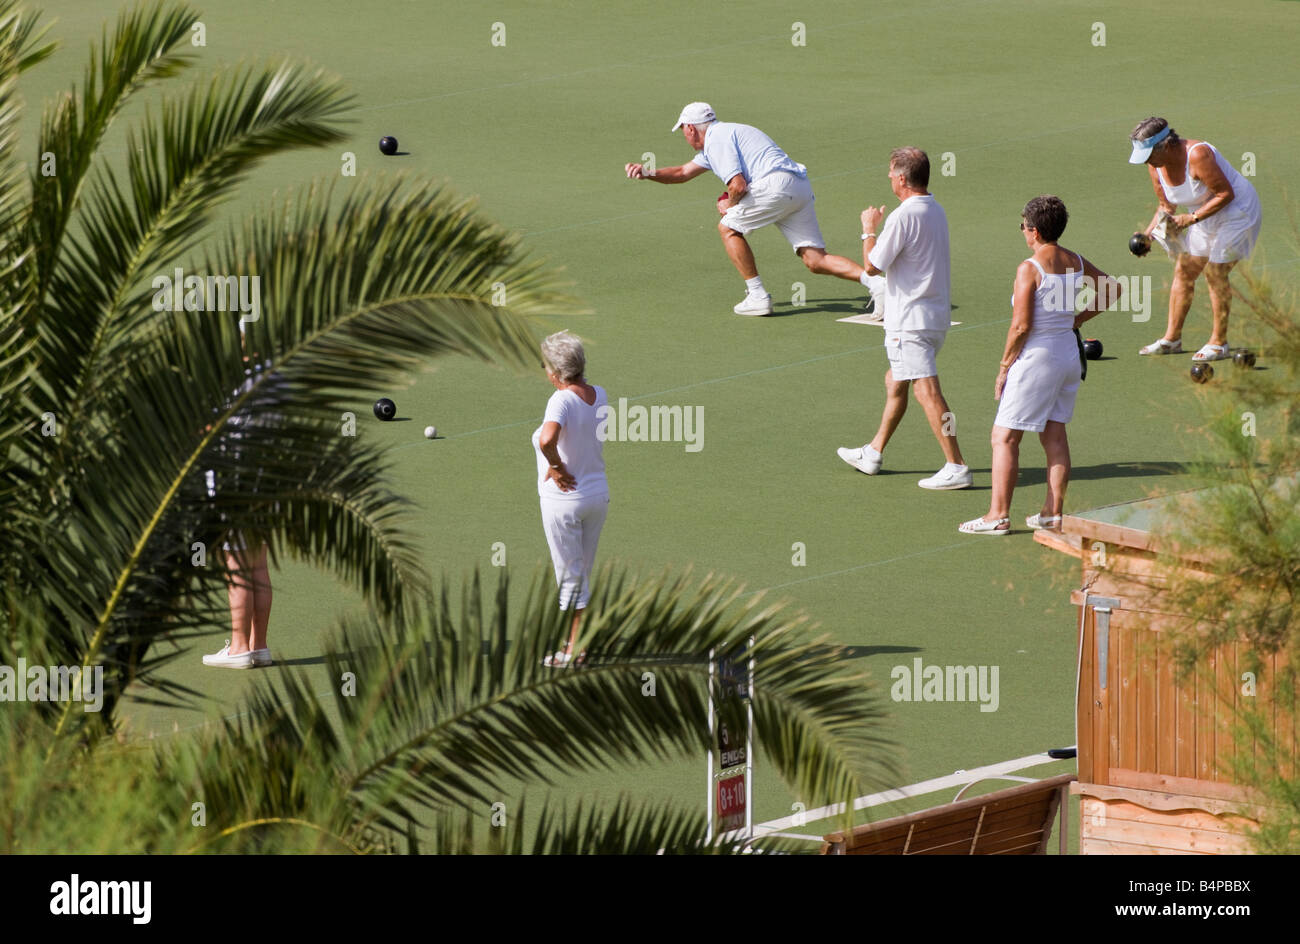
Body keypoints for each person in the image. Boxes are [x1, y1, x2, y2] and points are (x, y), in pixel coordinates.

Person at [958, 196, 1122, 535]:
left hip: (1037, 359)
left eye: (1023, 226)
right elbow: (1113, 289)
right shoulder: (1075, 260)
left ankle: (998, 515)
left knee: (1004, 437)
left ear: (1033, 230)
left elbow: (1020, 327)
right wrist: (1075, 320)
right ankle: (1052, 514)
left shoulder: (1029, 268)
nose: (1022, 232)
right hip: (1067, 356)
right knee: (1054, 434)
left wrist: (1004, 366)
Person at [624, 102, 872, 316]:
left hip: (775, 186)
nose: (684, 136)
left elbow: (737, 185)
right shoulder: (726, 134)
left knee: (728, 228)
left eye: (683, 131)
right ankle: (878, 287)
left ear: (690, 128)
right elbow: (681, 173)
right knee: (816, 260)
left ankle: (757, 296)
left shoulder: (716, 140)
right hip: (798, 186)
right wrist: (648, 173)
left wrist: (729, 205)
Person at [836, 147, 971, 490]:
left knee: (927, 391)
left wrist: (868, 229)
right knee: (896, 381)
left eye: (890, 172)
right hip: (933, 318)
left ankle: (956, 465)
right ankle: (874, 451)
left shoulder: (902, 216)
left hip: (910, 321)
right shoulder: (936, 210)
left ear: (901, 178)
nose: (887, 178)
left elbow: (871, 266)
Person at [1129, 117, 1262, 362]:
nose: (1147, 161)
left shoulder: (1198, 155)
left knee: (1215, 272)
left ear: (1166, 146)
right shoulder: (1154, 165)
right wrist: (1147, 236)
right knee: (1184, 271)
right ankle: (1172, 339)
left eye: (1148, 154)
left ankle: (1219, 343)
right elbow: (1166, 206)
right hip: (1203, 216)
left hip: (1238, 212)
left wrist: (1189, 220)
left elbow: (1225, 194)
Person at [202, 332, 280, 668]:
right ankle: (258, 646)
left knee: (237, 569)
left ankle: (238, 649)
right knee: (257, 565)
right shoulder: (274, 375)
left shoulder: (228, 379)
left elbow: (208, 428)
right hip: (267, 480)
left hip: (233, 483)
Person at [532, 331, 610, 667]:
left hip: (564, 500)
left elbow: (547, 439)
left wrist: (556, 466)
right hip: (597, 496)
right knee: (582, 573)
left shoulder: (560, 400)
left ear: (555, 372)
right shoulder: (599, 394)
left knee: (570, 575)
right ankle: (579, 642)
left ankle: (573, 651)